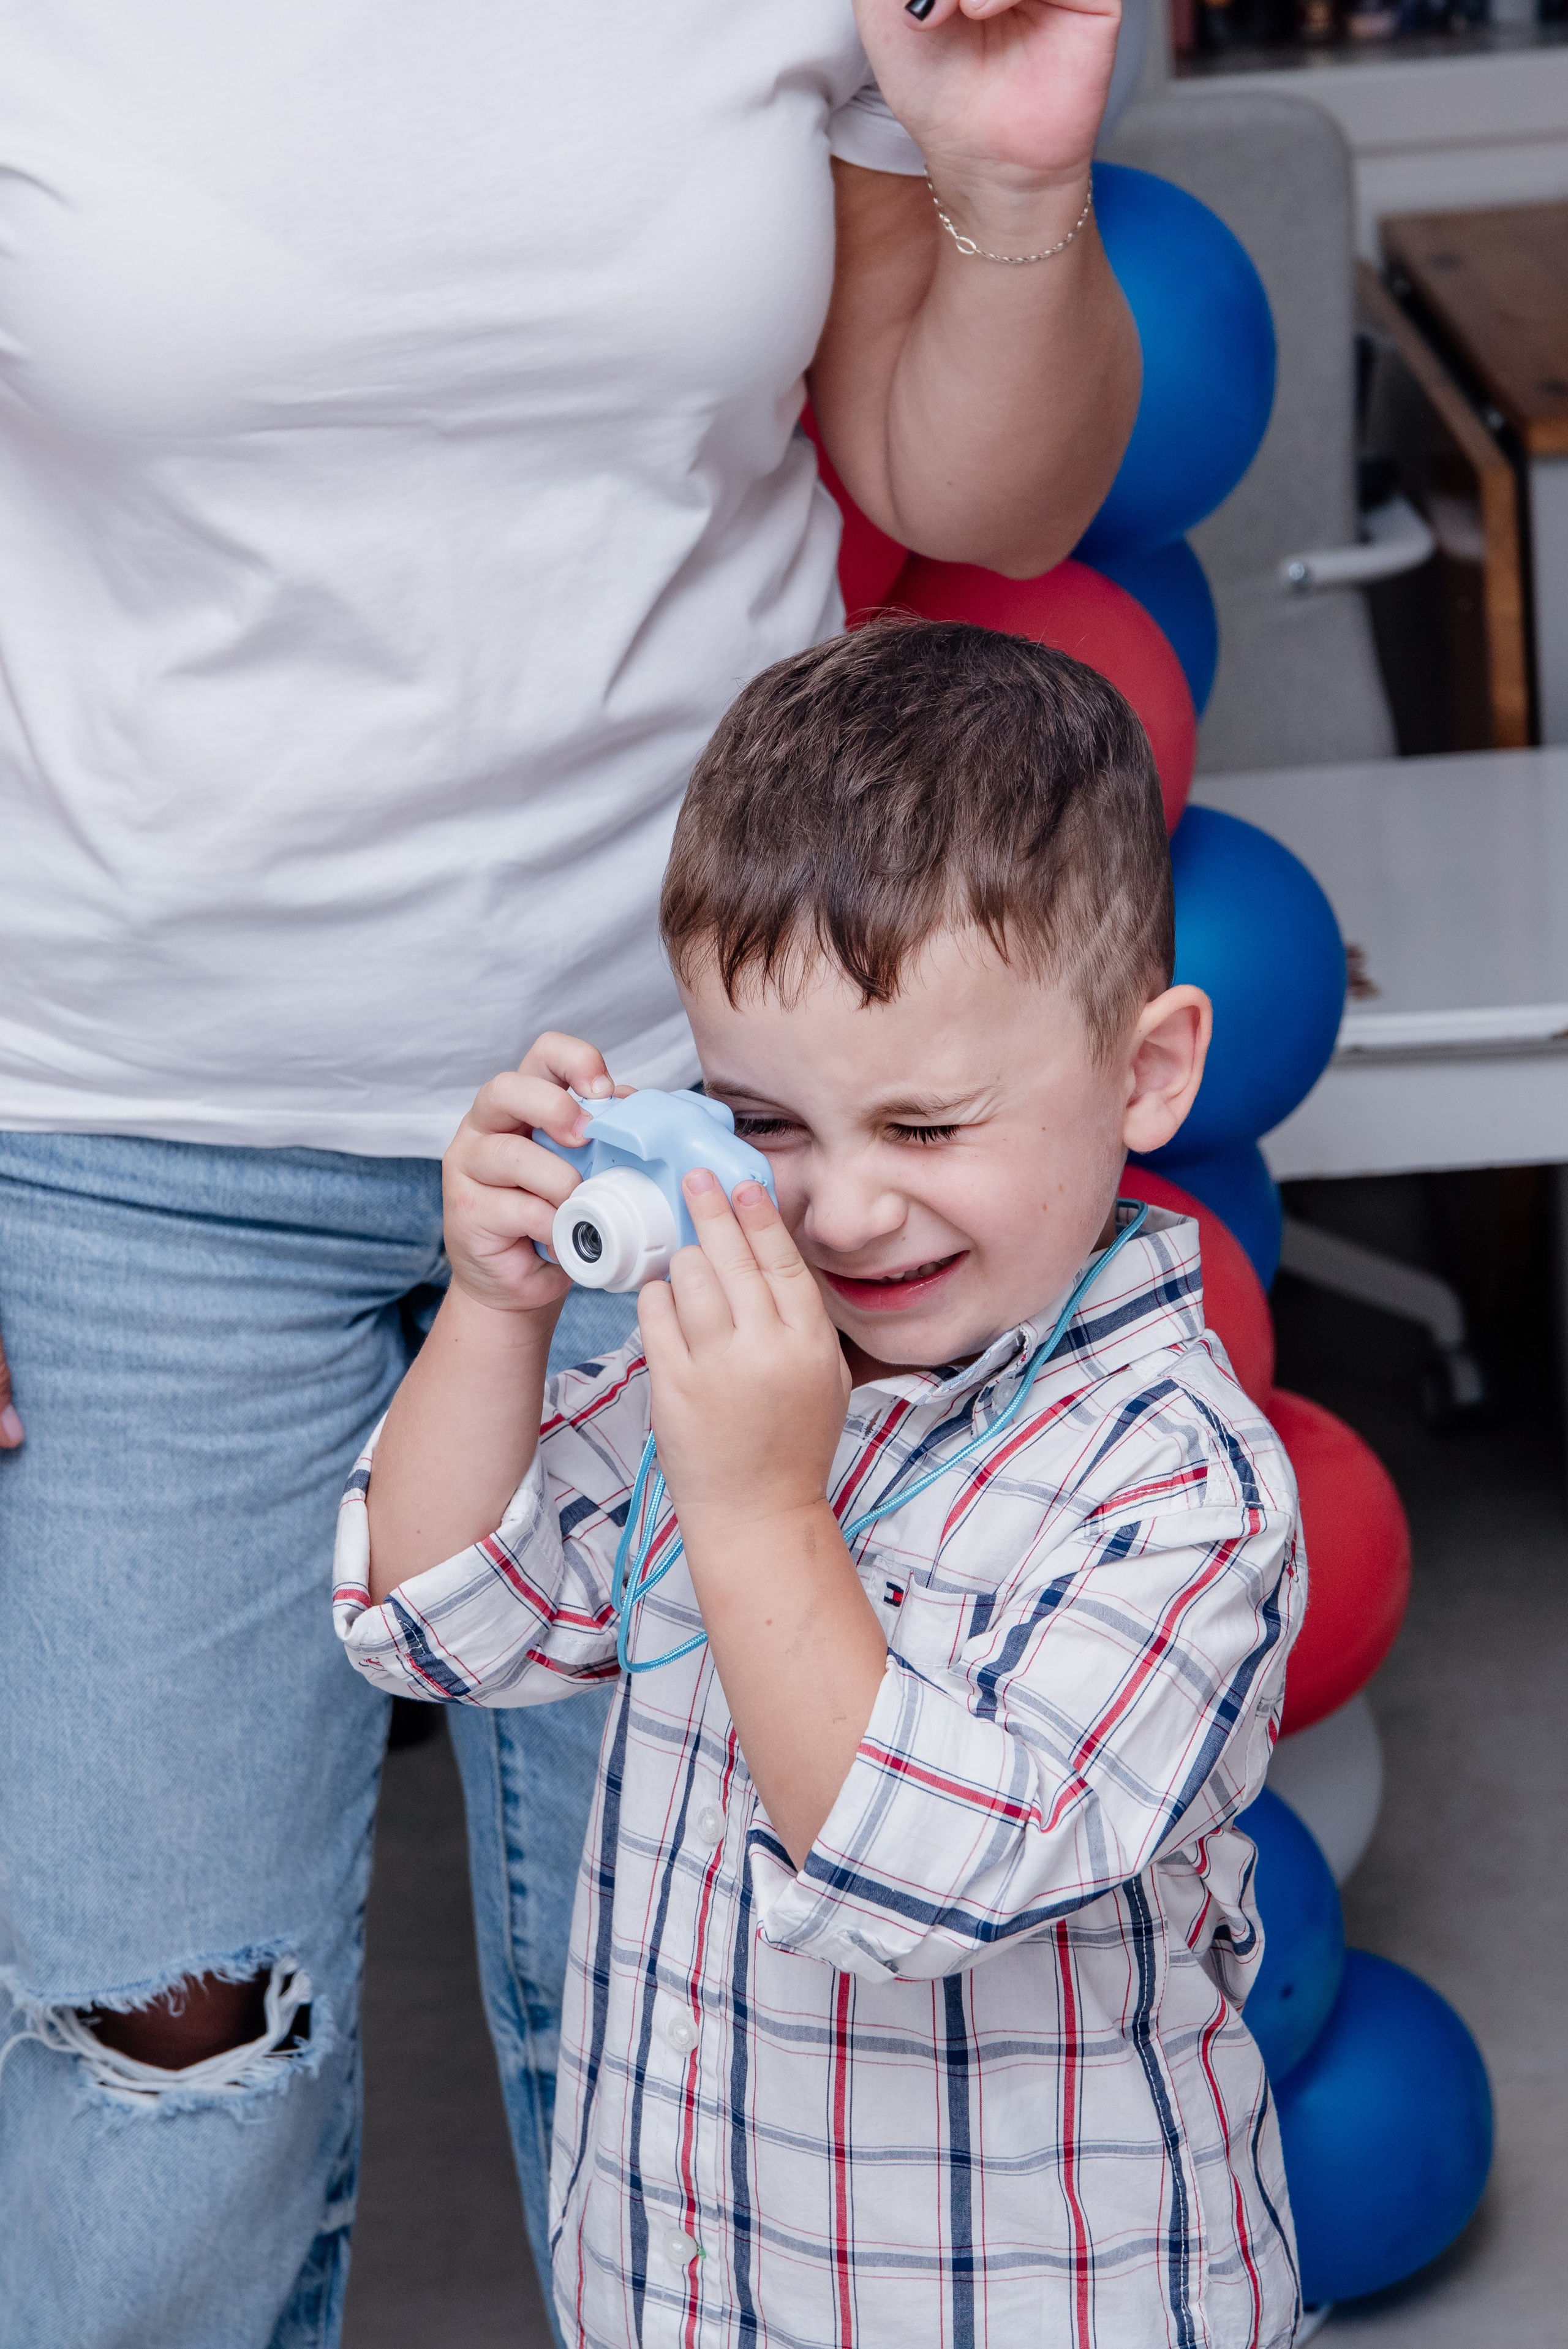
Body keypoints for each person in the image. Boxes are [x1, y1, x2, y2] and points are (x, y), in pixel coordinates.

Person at [0, 6, 1140, 2340]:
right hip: (123, 1128)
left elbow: (984, 489)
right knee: (161, 2072)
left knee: (752, 2034)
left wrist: (1011, 175)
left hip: (709, 1125)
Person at [336, 622, 1306, 2348]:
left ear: (1147, 1072)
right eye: (762, 1123)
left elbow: (917, 1876)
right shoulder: (725, 1361)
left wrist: (764, 1512)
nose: (843, 1211)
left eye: (926, 1129)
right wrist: (495, 1310)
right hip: (686, 2289)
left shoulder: (1181, 1487)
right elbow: (435, 1618)